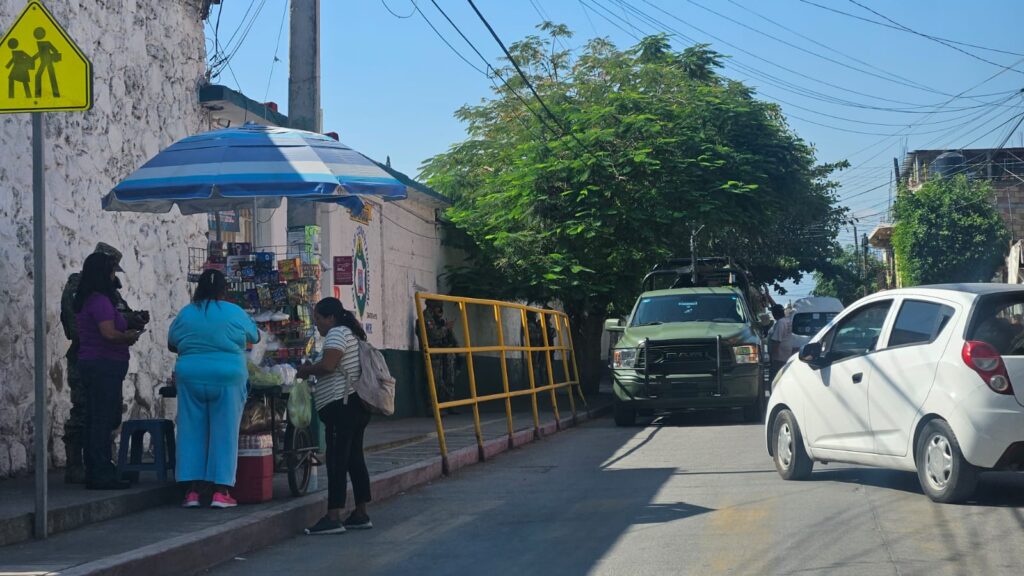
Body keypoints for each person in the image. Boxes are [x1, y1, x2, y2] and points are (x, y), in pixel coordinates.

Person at [168, 270, 258, 509]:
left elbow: (171, 343)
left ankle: (192, 492)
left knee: (190, 431)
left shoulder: (187, 313)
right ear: (223, 290)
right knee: (225, 432)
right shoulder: (234, 311)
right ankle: (221, 491)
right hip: (227, 377)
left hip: (191, 376)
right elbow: (255, 337)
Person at [61, 243, 148, 484]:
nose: (114, 277)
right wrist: (124, 335)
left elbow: (118, 315)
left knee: (104, 417)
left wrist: (134, 320)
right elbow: (89, 328)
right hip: (94, 359)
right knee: (90, 415)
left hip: (102, 359)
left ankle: (99, 466)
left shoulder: (106, 295)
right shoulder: (84, 291)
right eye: (112, 271)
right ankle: (85, 467)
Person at [297, 298, 373, 535]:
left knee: (337, 461)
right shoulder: (350, 333)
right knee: (354, 459)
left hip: (342, 406)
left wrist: (306, 370)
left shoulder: (337, 333)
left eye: (318, 318)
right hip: (356, 407)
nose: (317, 324)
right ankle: (360, 513)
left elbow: (329, 366)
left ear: (330, 317)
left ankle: (333, 516)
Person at [419, 299, 459, 415]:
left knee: (443, 381)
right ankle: (432, 407)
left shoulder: (435, 320)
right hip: (431, 354)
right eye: (438, 307)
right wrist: (446, 328)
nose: (439, 310)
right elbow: (434, 335)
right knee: (433, 381)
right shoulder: (427, 319)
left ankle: (445, 405)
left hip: (438, 354)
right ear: (433, 307)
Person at [768, 304, 793, 382]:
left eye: (773, 312)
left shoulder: (780, 323)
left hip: (778, 357)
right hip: (785, 355)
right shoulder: (787, 320)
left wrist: (772, 357)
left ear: (775, 313)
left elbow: (776, 341)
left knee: (774, 379)